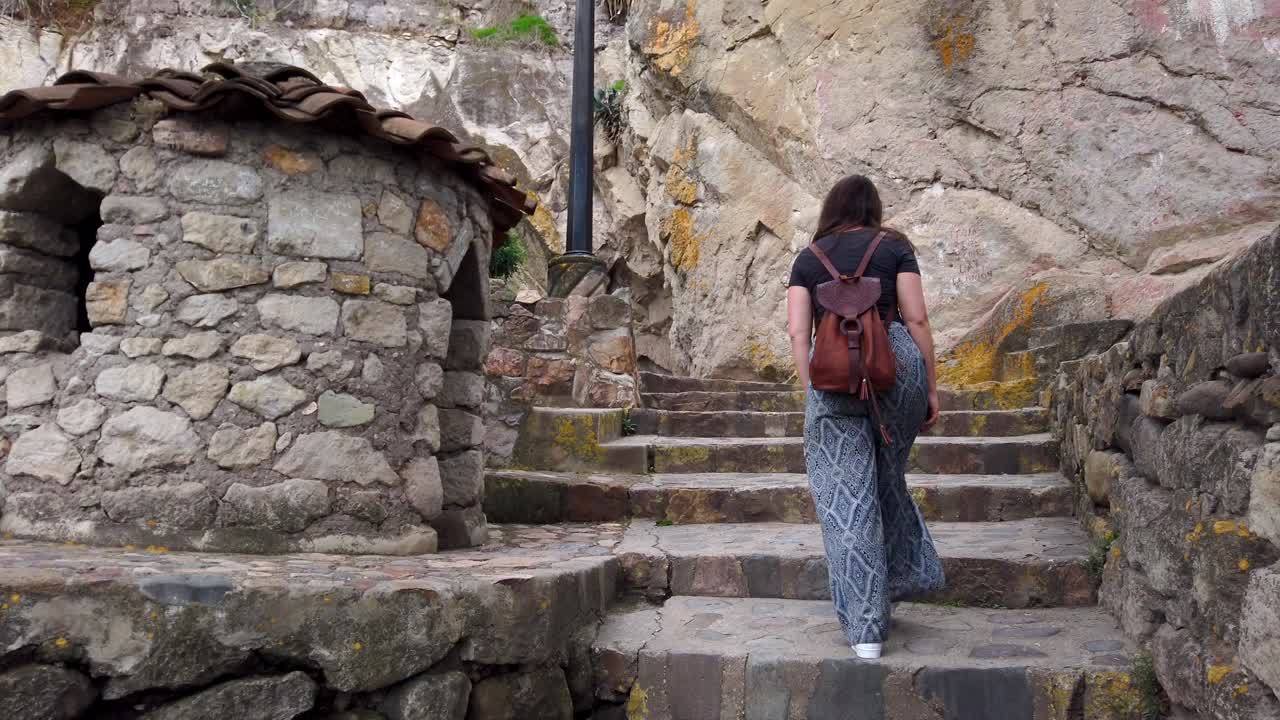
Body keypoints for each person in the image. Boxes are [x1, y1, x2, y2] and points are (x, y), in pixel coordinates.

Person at [786, 175, 945, 660]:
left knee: (846, 496)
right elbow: (915, 318)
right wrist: (931, 386)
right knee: (883, 478)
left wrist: (813, 388)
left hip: (831, 374)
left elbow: (797, 332)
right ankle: (903, 575)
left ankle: (866, 629)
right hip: (895, 368)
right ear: (873, 208)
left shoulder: (808, 259)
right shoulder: (895, 247)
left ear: (831, 209)